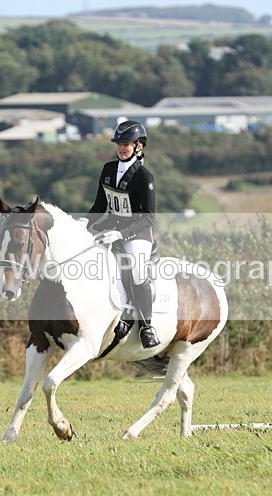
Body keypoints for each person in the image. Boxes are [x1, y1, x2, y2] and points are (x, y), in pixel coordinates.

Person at [83, 120, 160, 349]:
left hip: (137, 233)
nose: (121, 148)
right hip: (110, 227)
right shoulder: (108, 169)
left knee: (136, 272)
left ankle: (147, 325)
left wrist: (121, 234)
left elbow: (148, 217)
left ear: (138, 146)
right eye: (119, 144)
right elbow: (100, 206)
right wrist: (82, 223)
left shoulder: (144, 177)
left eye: (126, 144)